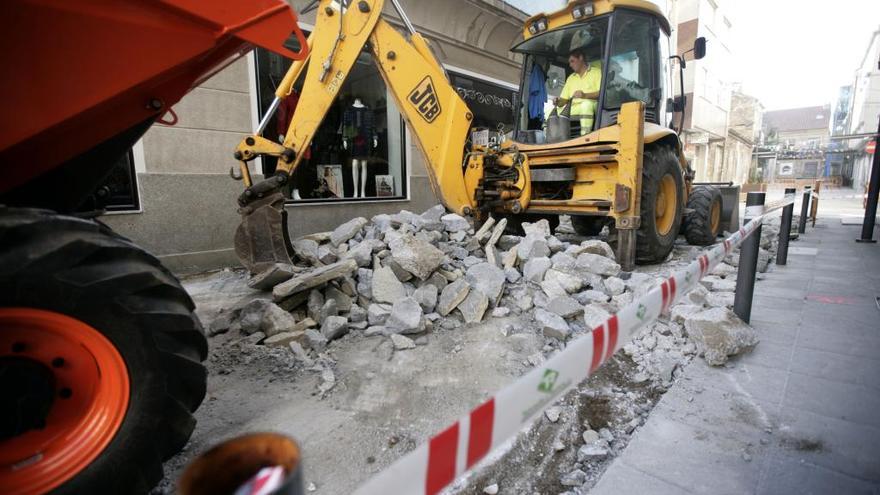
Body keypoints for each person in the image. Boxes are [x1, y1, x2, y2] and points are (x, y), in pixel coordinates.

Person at [553, 50, 602, 136]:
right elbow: (563, 100)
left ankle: (585, 136)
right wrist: (557, 101)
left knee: (586, 105)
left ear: (581, 58)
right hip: (574, 107)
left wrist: (585, 95)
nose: (570, 65)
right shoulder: (571, 78)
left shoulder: (597, 72)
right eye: (569, 62)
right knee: (551, 111)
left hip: (593, 105)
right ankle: (553, 137)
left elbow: (602, 93)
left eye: (572, 61)